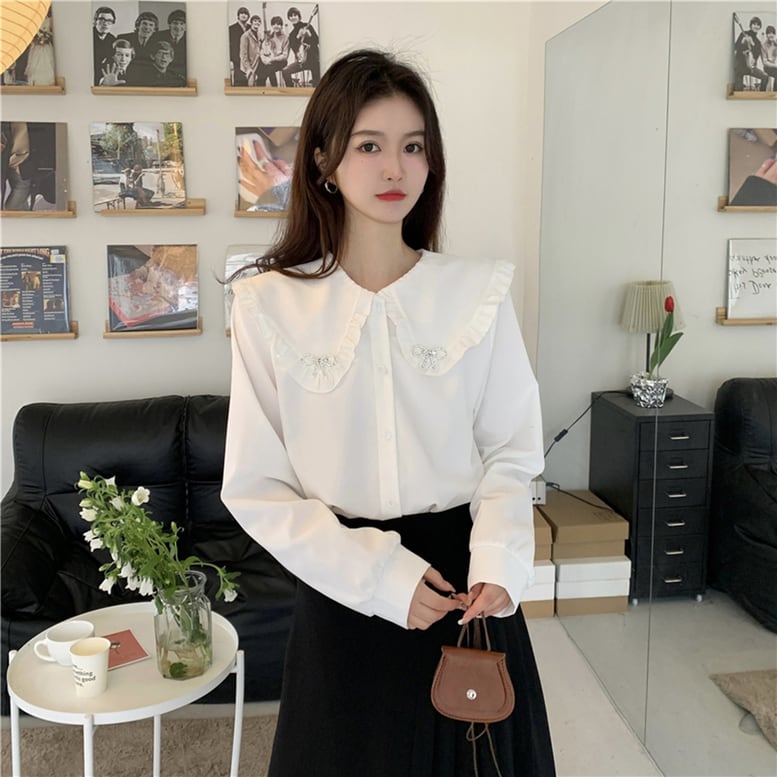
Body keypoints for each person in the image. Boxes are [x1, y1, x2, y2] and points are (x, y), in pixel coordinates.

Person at [221, 49, 556, 777]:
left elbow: (509, 449)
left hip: (465, 588)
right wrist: (377, 578)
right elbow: (256, 485)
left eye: (413, 146)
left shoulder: (478, 293)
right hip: (341, 590)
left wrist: (501, 559)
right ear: (323, 161)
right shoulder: (266, 304)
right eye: (369, 146)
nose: (394, 168)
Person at [282, 5, 320, 87]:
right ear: (289, 18)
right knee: (285, 71)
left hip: (314, 60)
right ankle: (291, 91)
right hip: (302, 62)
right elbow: (295, 50)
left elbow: (317, 41)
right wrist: (298, 36)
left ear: (299, 16)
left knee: (316, 84)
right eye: (291, 16)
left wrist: (309, 35)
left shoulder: (307, 26)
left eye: (295, 15)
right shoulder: (292, 35)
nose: (293, 17)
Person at [733, 15, 769, 91]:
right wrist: (743, 42)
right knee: (738, 90)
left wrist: (752, 46)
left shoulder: (758, 42)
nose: (756, 26)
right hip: (740, 66)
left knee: (765, 77)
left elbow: (755, 56)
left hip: (750, 67)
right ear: (750, 25)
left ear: (760, 27)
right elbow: (736, 47)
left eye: (758, 25)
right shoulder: (744, 34)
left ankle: (761, 95)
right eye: (754, 24)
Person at [156, 9, 187, 79]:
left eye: (182, 24)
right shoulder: (158, 36)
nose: (178, 27)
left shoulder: (190, 38)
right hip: (162, 73)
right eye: (175, 23)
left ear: (185, 26)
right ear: (169, 25)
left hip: (182, 74)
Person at [92, 6, 117, 86]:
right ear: (95, 21)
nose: (105, 23)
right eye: (102, 20)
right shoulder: (87, 35)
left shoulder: (112, 39)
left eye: (109, 21)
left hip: (104, 78)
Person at [239, 15, 264, 86]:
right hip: (249, 65)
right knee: (251, 85)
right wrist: (248, 68)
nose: (257, 23)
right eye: (255, 21)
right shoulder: (245, 36)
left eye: (259, 21)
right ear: (251, 22)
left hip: (257, 63)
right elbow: (243, 54)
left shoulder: (259, 34)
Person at [229, 6, 250, 86]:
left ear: (248, 16)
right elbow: (230, 46)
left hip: (249, 60)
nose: (243, 15)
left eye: (245, 13)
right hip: (237, 60)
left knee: (250, 82)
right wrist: (231, 59)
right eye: (241, 13)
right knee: (239, 83)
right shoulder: (231, 28)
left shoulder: (251, 28)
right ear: (238, 15)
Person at [762, 25, 777, 91]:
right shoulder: (764, 45)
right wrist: (775, 66)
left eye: (772, 33)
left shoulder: (775, 43)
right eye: (769, 33)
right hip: (768, 67)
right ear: (766, 35)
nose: (771, 35)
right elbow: (765, 63)